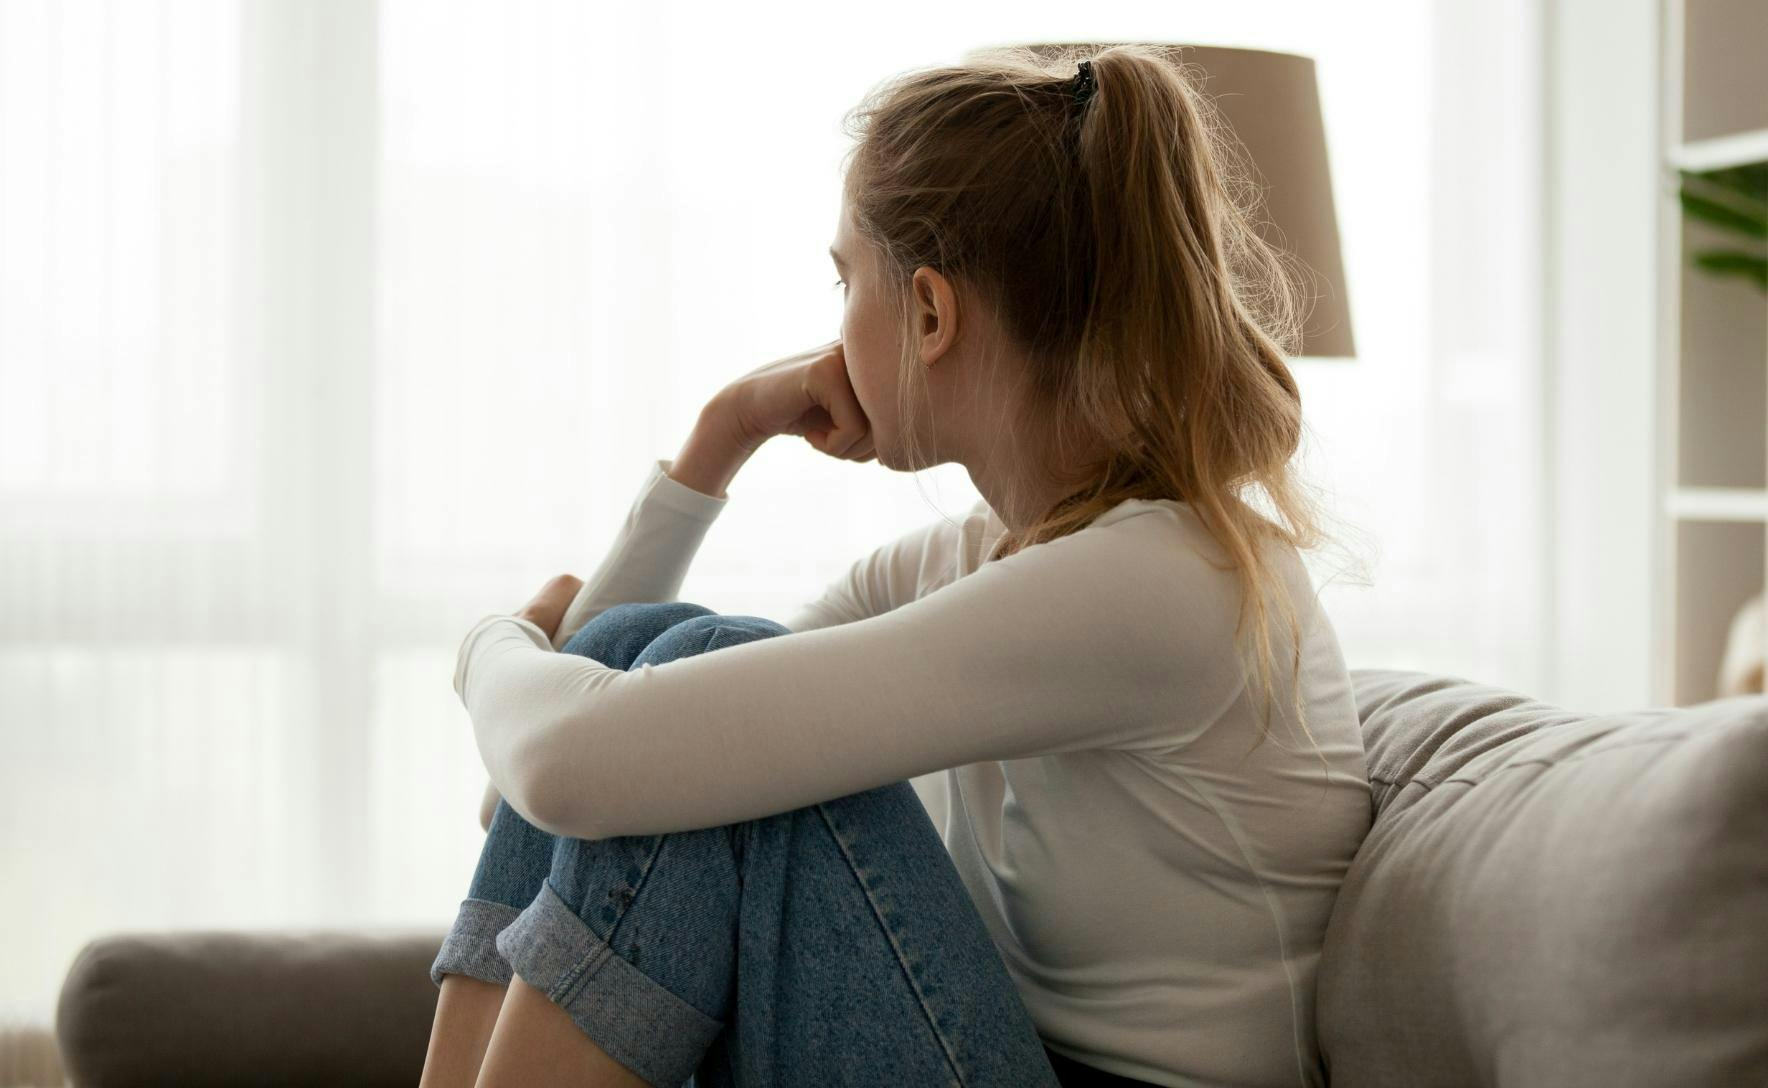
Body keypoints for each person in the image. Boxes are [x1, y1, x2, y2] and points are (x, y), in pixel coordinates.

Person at [419, 43, 1373, 1088]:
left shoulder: (1160, 584)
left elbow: (568, 761)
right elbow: (575, 764)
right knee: (668, 665)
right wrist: (719, 439)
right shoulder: (985, 557)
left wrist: (487, 648)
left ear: (928, 313)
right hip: (1003, 1051)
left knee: (704, 690)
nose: (831, 328)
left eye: (845, 281)